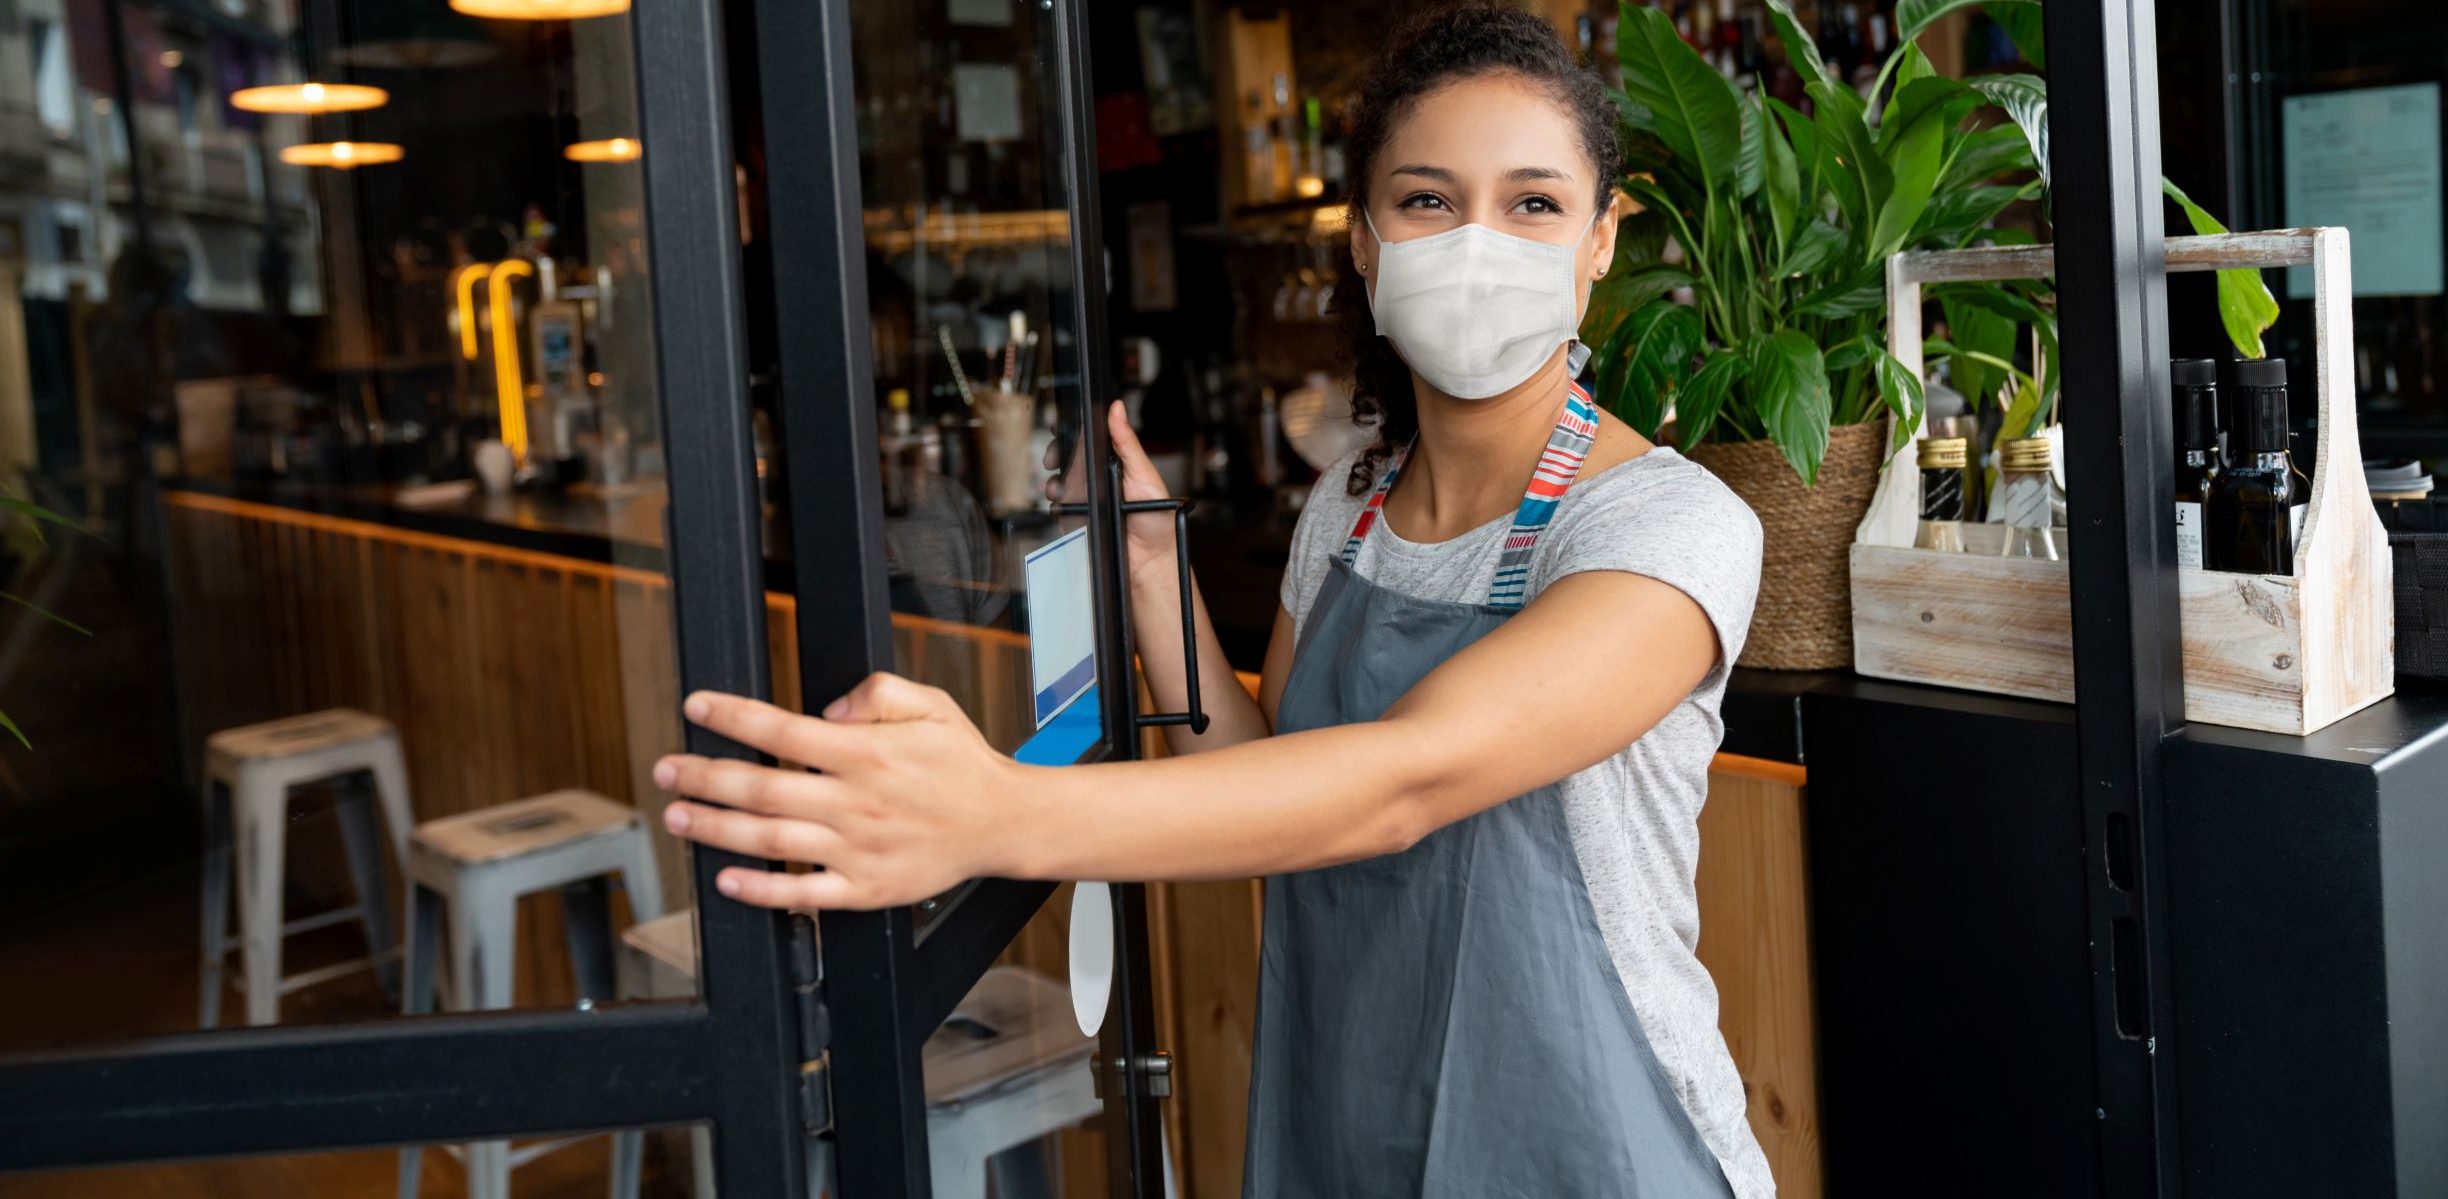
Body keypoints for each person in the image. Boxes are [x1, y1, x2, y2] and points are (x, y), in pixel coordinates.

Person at [655, 5, 1771, 1194]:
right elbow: (1277, 776)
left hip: (1589, 1142)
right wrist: (1153, 577)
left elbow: (1405, 779)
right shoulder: (1346, 506)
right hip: (1345, 1116)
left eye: (1534, 203)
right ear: (1364, 241)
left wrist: (992, 811)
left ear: (1602, 241)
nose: (1478, 241)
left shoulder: (1665, 525)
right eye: (1429, 199)